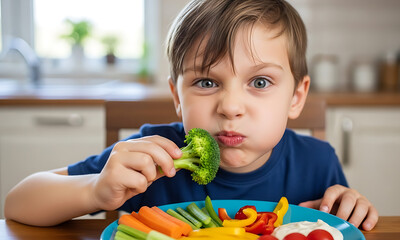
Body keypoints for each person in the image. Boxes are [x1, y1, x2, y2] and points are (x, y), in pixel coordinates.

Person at [4, 0, 378, 230]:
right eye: (206, 82)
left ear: (296, 97)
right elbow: (17, 204)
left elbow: (339, 226)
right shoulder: (151, 156)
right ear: (177, 98)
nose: (230, 107)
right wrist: (96, 189)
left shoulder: (318, 163)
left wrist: (349, 206)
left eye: (260, 82)